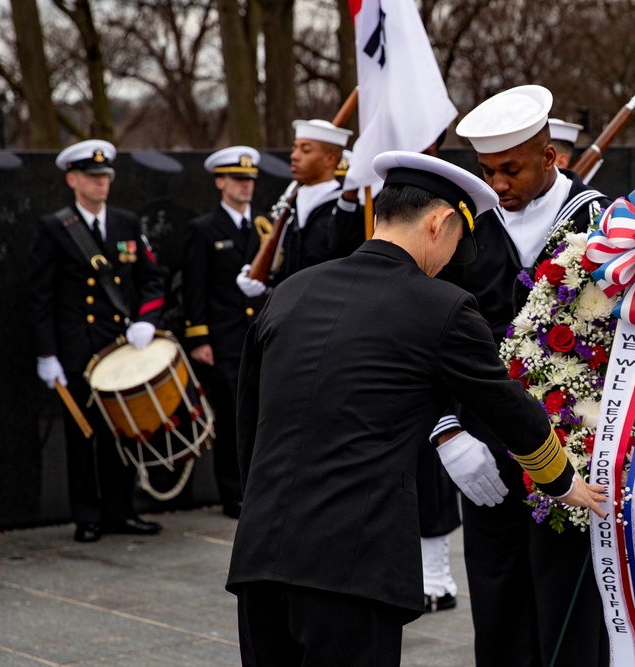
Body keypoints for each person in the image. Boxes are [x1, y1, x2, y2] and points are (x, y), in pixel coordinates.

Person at [226, 150, 607, 666]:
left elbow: (249, 421)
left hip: (260, 558)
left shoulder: (291, 291)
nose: (452, 260)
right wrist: (563, 482)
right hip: (352, 568)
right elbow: (509, 407)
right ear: (439, 222)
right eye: (456, 243)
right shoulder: (441, 307)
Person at [433, 84, 612, 667]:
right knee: (500, 599)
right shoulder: (465, 229)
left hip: (575, 444)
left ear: (550, 158)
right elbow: (429, 333)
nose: (498, 184)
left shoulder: (607, 224)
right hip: (485, 443)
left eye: (510, 169)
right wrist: (447, 432)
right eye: (487, 171)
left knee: (571, 608)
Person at [27, 139, 165, 543]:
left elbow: (151, 278)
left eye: (106, 176)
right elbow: (41, 296)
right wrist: (47, 353)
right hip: (76, 350)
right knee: (82, 435)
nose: (101, 183)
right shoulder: (54, 228)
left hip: (119, 347)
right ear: (73, 180)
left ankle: (120, 511)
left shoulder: (126, 222)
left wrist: (146, 320)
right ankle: (86, 514)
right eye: (93, 176)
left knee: (119, 433)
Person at [182, 146, 266, 519]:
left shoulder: (265, 227)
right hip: (226, 340)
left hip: (261, 335)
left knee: (265, 417)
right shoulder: (203, 229)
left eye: (249, 180)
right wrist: (200, 339)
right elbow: (194, 288)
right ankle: (234, 494)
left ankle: (262, 489)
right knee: (233, 420)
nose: (245, 186)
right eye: (237, 179)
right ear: (220, 182)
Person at [236, 119, 362, 297]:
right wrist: (264, 282)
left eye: (306, 150)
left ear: (330, 159)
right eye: (295, 148)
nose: (294, 155)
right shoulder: (289, 206)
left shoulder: (346, 209)